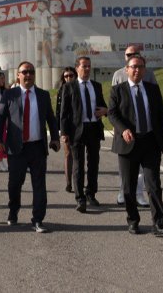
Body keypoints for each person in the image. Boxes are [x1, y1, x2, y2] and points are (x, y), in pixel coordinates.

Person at [0, 61, 60, 233]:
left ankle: (38, 219)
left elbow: (51, 119)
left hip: (37, 148)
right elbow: (0, 119)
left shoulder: (43, 95)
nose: (28, 75)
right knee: (15, 184)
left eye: (31, 72)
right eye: (24, 72)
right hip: (16, 148)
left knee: (39, 185)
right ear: (18, 75)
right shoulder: (9, 95)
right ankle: (13, 211)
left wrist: (54, 138)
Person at [109, 55, 163, 235]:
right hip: (128, 143)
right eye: (133, 67)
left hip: (150, 142)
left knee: (153, 185)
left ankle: (159, 222)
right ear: (126, 69)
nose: (137, 70)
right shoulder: (118, 90)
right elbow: (112, 114)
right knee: (128, 187)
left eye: (140, 67)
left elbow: (160, 116)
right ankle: (133, 220)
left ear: (145, 70)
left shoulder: (152, 89)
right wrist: (123, 130)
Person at [58, 56, 107, 212]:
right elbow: (64, 113)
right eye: (83, 66)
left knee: (93, 163)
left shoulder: (96, 86)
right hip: (77, 130)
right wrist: (64, 132)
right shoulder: (69, 87)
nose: (86, 69)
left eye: (88, 66)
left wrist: (104, 111)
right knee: (78, 165)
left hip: (93, 128)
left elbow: (103, 105)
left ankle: (91, 193)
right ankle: (80, 199)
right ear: (77, 68)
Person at [112, 46, 157, 207]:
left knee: (145, 173)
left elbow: (155, 103)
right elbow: (114, 107)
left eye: (134, 54)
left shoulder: (149, 75)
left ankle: (139, 194)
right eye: (128, 55)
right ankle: (123, 192)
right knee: (126, 171)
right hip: (126, 132)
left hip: (145, 131)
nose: (131, 56)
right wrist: (121, 129)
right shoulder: (118, 75)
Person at [54, 67, 77, 192]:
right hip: (66, 126)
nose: (68, 78)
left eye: (71, 75)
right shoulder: (62, 90)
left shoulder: (79, 88)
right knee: (68, 153)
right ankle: (68, 183)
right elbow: (59, 112)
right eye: (66, 76)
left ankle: (77, 180)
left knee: (78, 155)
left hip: (79, 126)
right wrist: (60, 131)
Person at [28, 0, 60, 68]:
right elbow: (30, 26)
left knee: (48, 48)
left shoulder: (47, 13)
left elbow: (54, 24)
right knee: (39, 46)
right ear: (37, 4)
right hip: (38, 33)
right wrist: (37, 27)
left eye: (44, 4)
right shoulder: (34, 14)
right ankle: (39, 61)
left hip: (47, 33)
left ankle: (51, 62)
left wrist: (51, 26)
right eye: (40, 3)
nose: (42, 5)